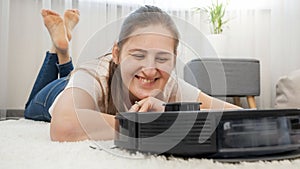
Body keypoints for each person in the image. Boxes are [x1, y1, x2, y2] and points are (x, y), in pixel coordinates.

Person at [24, 5, 240, 142]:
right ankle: (59, 50)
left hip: (82, 88)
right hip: (56, 94)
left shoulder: (168, 82)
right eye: (138, 55)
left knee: (71, 76)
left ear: (174, 59)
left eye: (163, 58)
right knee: (30, 105)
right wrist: (153, 125)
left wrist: (170, 115)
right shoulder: (93, 72)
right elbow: (65, 126)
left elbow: (236, 117)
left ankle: (62, 52)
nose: (150, 69)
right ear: (116, 53)